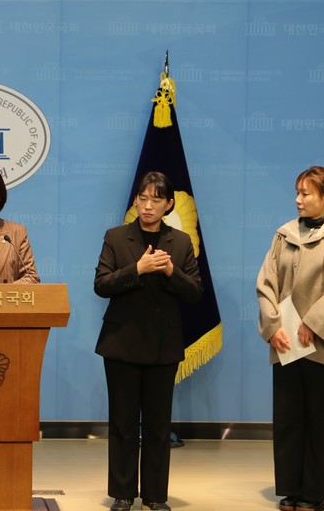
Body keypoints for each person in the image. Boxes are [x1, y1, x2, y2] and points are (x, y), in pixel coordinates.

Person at [257, 166, 324, 511]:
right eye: (297, 192)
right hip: (286, 341)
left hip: (321, 344)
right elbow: (266, 283)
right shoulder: (284, 235)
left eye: (305, 193)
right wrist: (273, 325)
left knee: (319, 419)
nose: (298, 200)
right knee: (288, 418)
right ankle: (292, 488)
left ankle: (317, 493)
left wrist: (315, 323)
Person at [94, 171, 202, 511]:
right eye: (143, 198)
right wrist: (137, 269)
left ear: (169, 204)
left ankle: (155, 496)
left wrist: (170, 272)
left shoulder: (180, 242)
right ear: (136, 201)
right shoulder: (116, 237)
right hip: (122, 343)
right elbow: (101, 284)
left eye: (156, 200)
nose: (148, 206)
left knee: (157, 425)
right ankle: (123, 493)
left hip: (162, 345)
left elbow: (195, 292)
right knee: (123, 423)